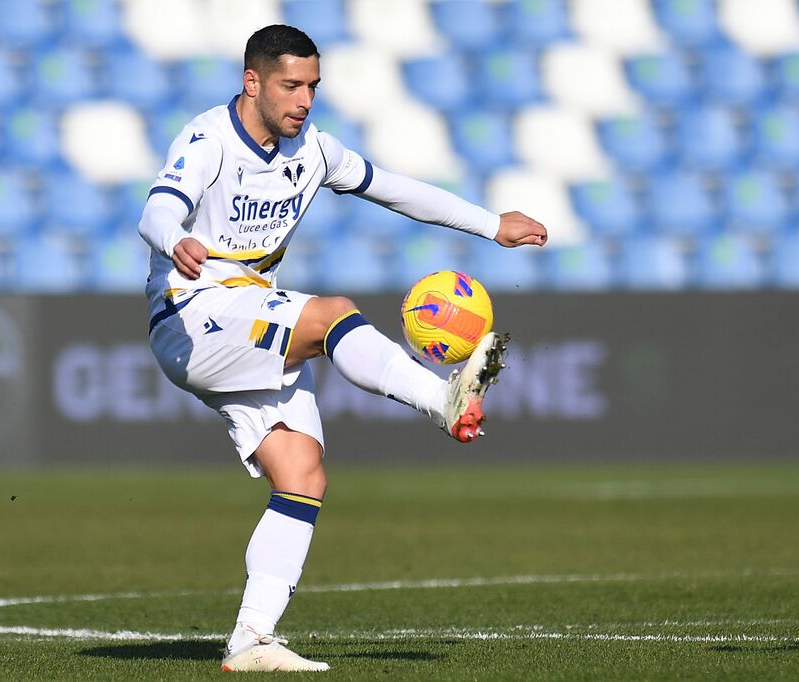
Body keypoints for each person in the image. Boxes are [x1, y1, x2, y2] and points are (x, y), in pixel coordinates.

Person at [138, 24, 547, 672]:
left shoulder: (314, 150)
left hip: (248, 318)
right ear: (252, 82)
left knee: (301, 476)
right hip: (192, 314)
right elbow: (156, 210)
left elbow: (396, 188)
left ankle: (250, 640)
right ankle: (439, 400)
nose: (303, 99)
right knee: (331, 315)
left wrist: (490, 224)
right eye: (289, 85)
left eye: (312, 86)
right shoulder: (206, 139)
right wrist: (173, 240)